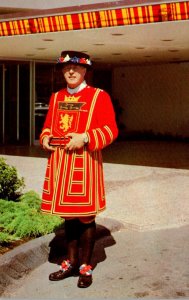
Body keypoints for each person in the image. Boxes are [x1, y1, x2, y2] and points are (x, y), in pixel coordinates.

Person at [40, 50, 118, 288]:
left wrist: (85, 137)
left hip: (85, 165)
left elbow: (111, 130)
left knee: (85, 216)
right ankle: (70, 262)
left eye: (75, 68)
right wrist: (45, 138)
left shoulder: (98, 96)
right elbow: (47, 127)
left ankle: (85, 266)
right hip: (61, 164)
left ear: (85, 70)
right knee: (68, 216)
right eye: (66, 68)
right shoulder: (56, 97)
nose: (70, 72)